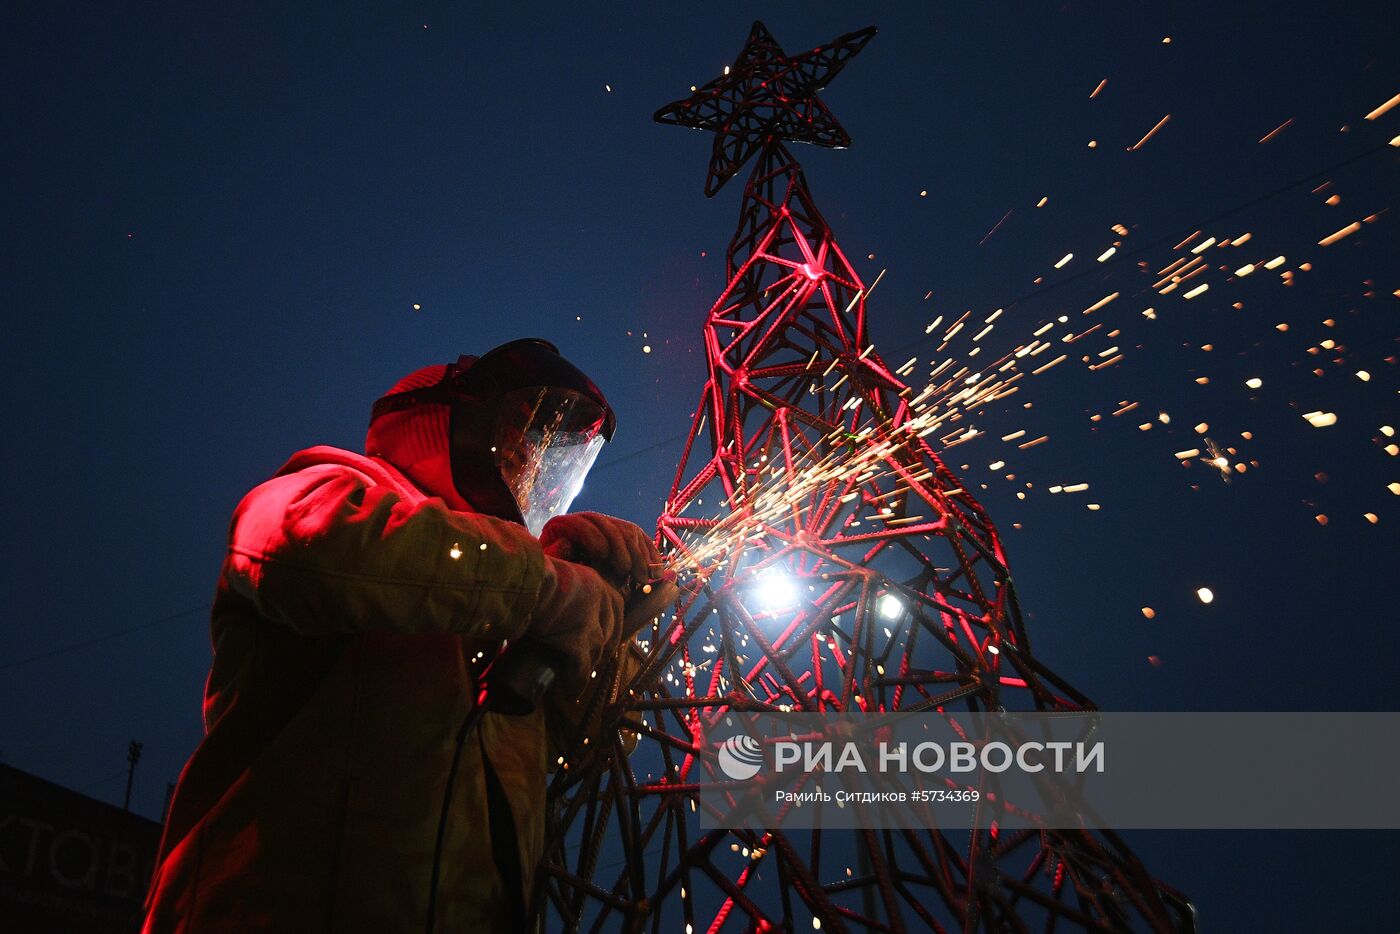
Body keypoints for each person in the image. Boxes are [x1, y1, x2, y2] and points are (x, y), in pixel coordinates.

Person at [142, 339, 675, 933]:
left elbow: (579, 751)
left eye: (540, 450)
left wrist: (610, 635)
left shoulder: (498, 597)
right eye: (517, 436)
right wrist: (551, 586)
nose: (527, 462)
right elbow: (316, 552)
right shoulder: (325, 489)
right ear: (443, 424)